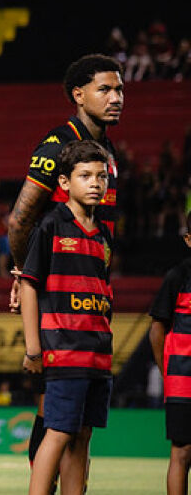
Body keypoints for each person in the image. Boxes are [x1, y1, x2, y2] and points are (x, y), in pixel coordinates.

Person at [7, 54, 123, 474]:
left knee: (75, 426)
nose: (116, 98)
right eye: (104, 89)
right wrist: (23, 275)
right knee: (55, 418)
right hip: (58, 306)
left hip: (90, 305)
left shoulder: (106, 152)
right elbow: (20, 218)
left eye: (120, 89)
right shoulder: (58, 144)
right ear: (79, 95)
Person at [18, 140, 114, 495]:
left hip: (97, 354)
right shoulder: (51, 226)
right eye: (85, 175)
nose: (95, 183)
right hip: (62, 350)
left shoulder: (103, 235)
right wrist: (33, 349)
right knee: (57, 433)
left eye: (101, 176)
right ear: (63, 183)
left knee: (82, 437)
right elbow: (29, 286)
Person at [148, 209, 191, 495]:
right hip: (182, 381)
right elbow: (156, 331)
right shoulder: (178, 276)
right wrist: (167, 373)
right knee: (181, 452)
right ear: (189, 239)